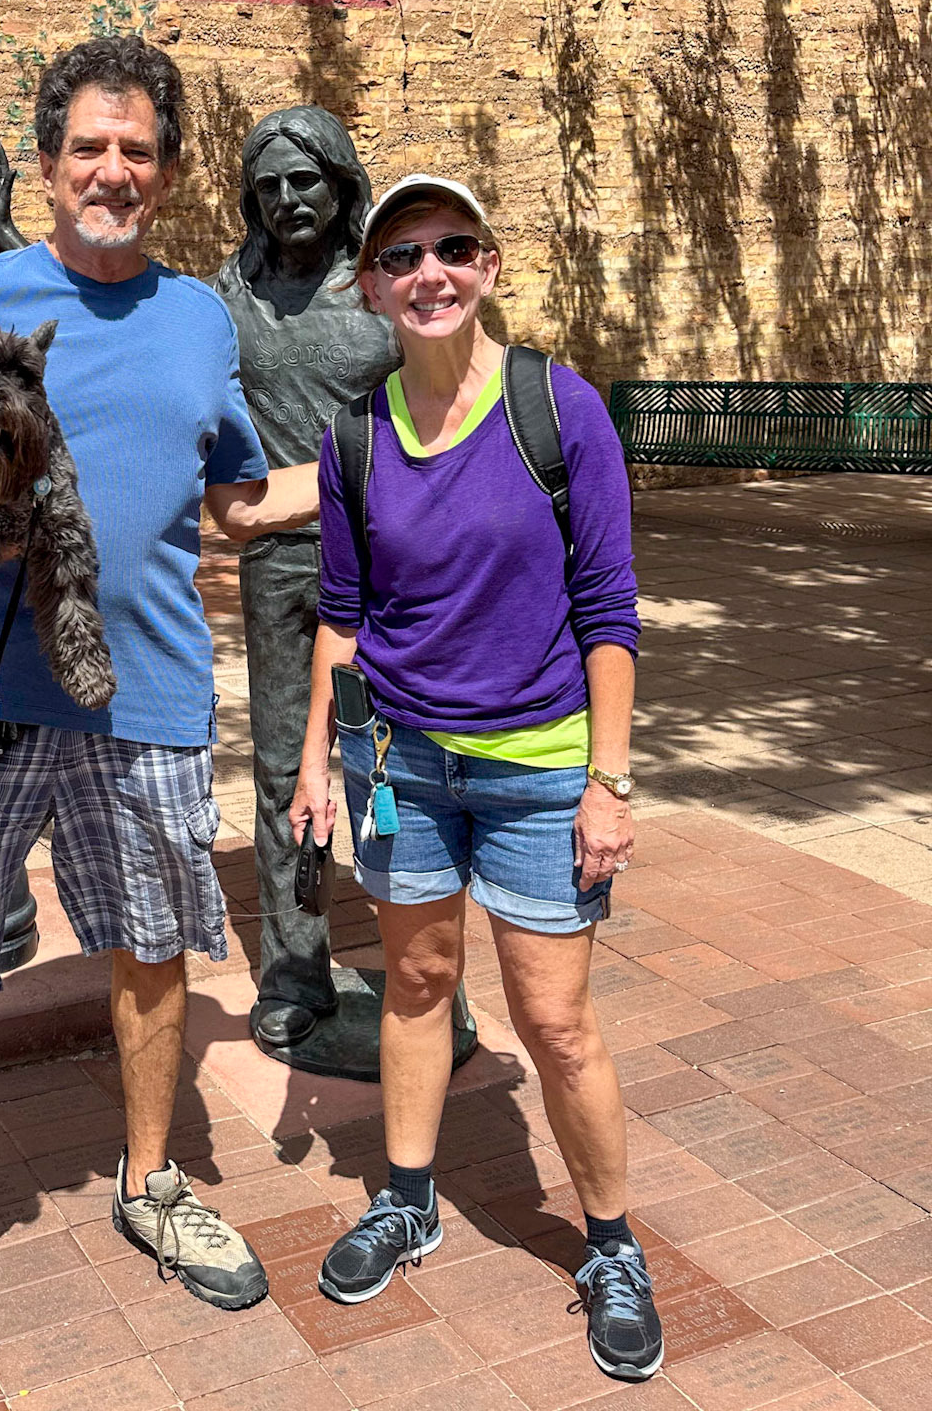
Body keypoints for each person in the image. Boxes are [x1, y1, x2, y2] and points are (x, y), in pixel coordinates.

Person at [0, 35, 319, 1410]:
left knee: (153, 954)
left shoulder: (201, 319)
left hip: (148, 699)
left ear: (167, 170)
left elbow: (238, 500)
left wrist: (401, 477)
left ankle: (154, 1184)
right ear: (47, 165)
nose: (113, 170)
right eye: (89, 146)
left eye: (139, 149)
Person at [291, 172, 664, 1384]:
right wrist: (318, 759)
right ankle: (409, 1195)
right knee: (415, 979)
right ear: (370, 289)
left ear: (490, 265)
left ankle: (610, 1242)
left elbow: (609, 605)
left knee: (554, 1019)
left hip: (542, 769)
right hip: (398, 756)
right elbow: (342, 617)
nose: (429, 272)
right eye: (401, 257)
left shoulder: (557, 407)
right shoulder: (356, 433)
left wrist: (610, 778)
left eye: (453, 247)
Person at [213, 107, 396, 1051]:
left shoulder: (387, 287)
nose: (289, 200)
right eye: (270, 184)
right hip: (284, 570)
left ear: (339, 183)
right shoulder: (228, 296)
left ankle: (418, 957)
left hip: (400, 565)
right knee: (289, 768)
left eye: (306, 181)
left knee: (408, 761)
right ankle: (294, 967)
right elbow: (136, 329)